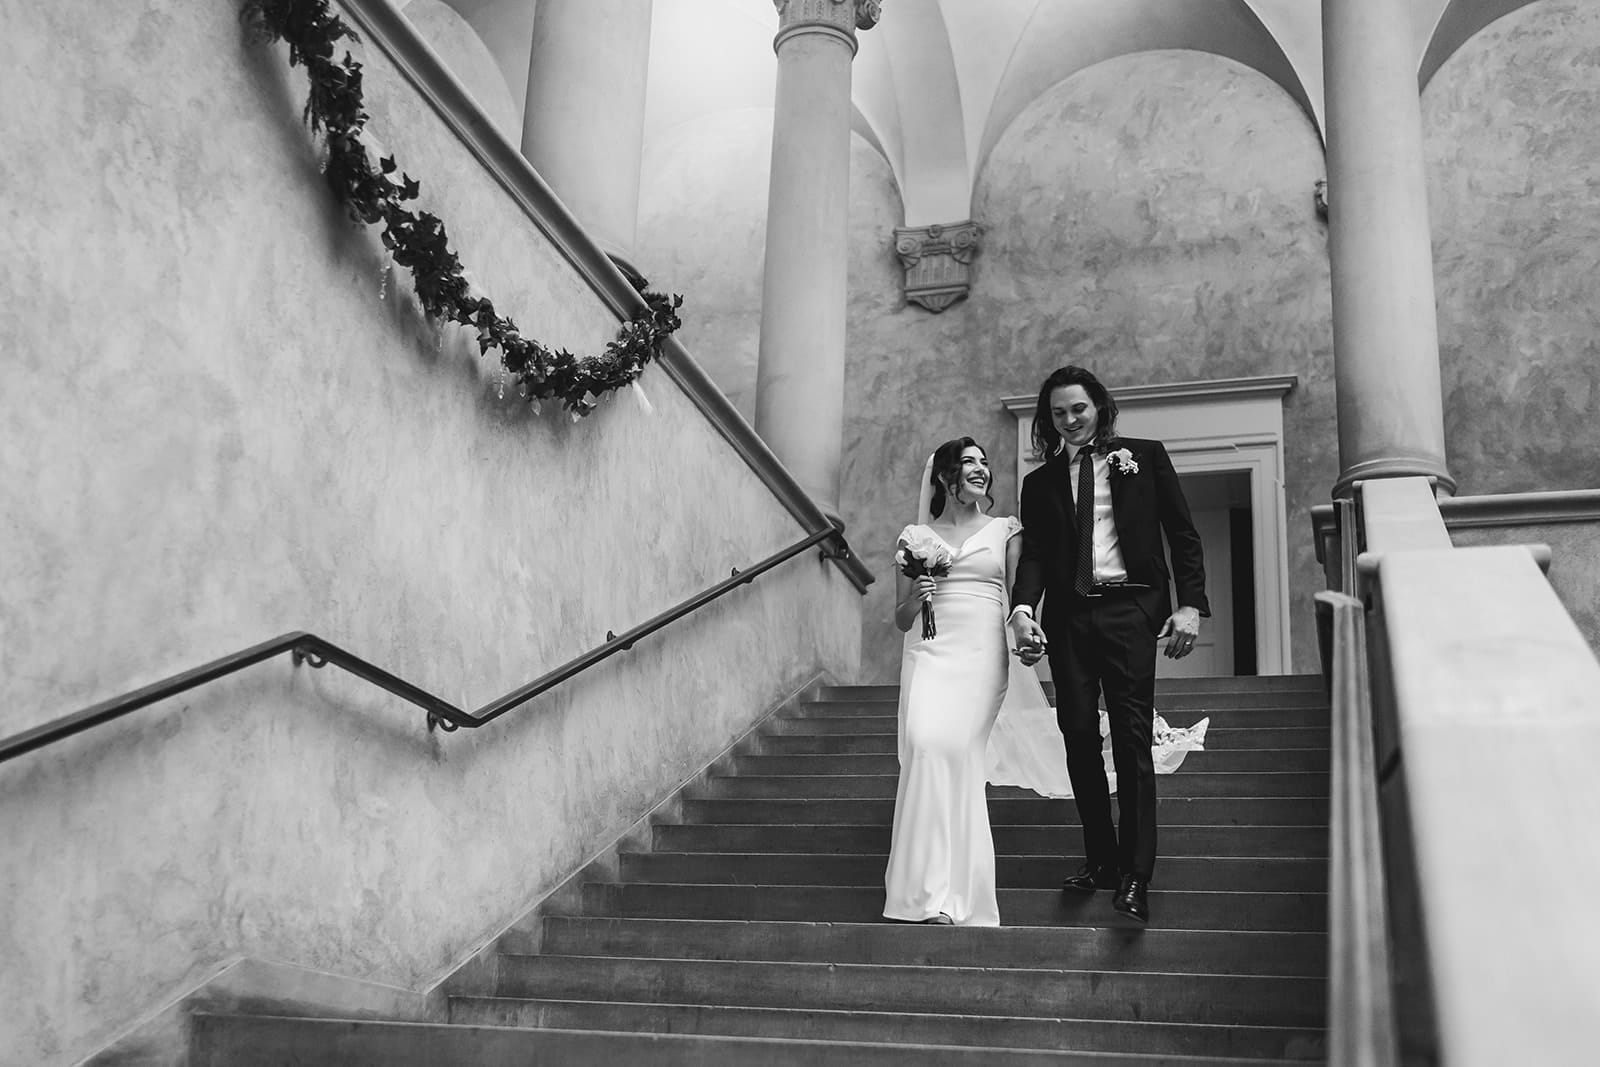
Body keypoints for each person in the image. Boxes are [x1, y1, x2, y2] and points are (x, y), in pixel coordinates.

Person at [1008, 365, 1209, 925]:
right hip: (1070, 617)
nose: (1070, 420)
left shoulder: (1144, 457)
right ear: (1047, 422)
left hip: (1130, 610)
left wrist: (1189, 604)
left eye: (1078, 408)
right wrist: (1023, 610)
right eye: (1057, 413)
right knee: (1075, 732)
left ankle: (1135, 874)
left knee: (1130, 738)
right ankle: (1100, 858)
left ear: (1098, 406)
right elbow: (1038, 557)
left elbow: (1183, 534)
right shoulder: (1041, 483)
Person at [882, 437, 1016, 927]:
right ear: (944, 477)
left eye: (985, 461)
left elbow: (1021, 598)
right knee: (923, 744)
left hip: (981, 653)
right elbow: (900, 619)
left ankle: (959, 896)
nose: (981, 469)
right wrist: (917, 594)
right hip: (929, 653)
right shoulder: (915, 537)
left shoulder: (1006, 530)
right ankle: (922, 894)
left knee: (957, 754)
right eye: (968, 463)